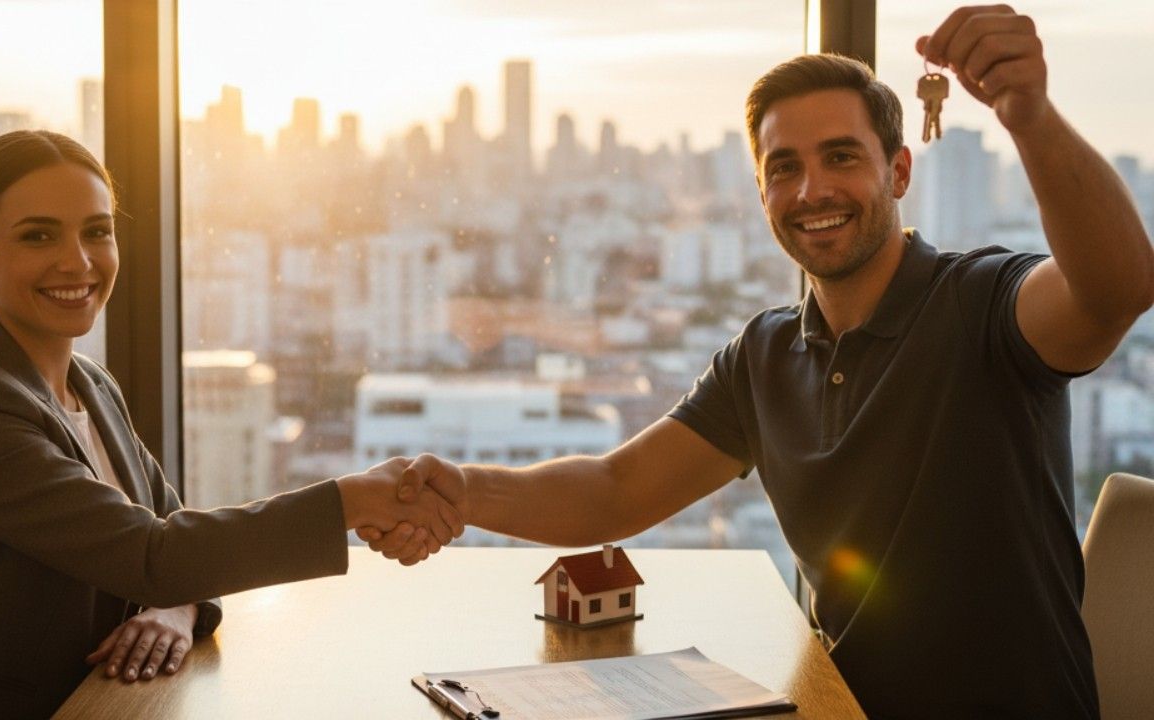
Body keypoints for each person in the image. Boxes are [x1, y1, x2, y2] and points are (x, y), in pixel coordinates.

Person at [363, 6, 1154, 718]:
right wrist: (462, 492)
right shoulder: (765, 354)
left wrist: (1029, 114)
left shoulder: (981, 304)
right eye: (785, 168)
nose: (812, 189)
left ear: (899, 172)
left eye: (843, 157)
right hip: (837, 706)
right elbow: (614, 492)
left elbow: (1115, 289)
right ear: (761, 190)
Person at [0, 130, 461, 719]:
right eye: (39, 235)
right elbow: (157, 557)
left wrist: (176, 609)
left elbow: (181, 544)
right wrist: (352, 501)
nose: (77, 260)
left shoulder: (91, 385)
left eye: (97, 231)